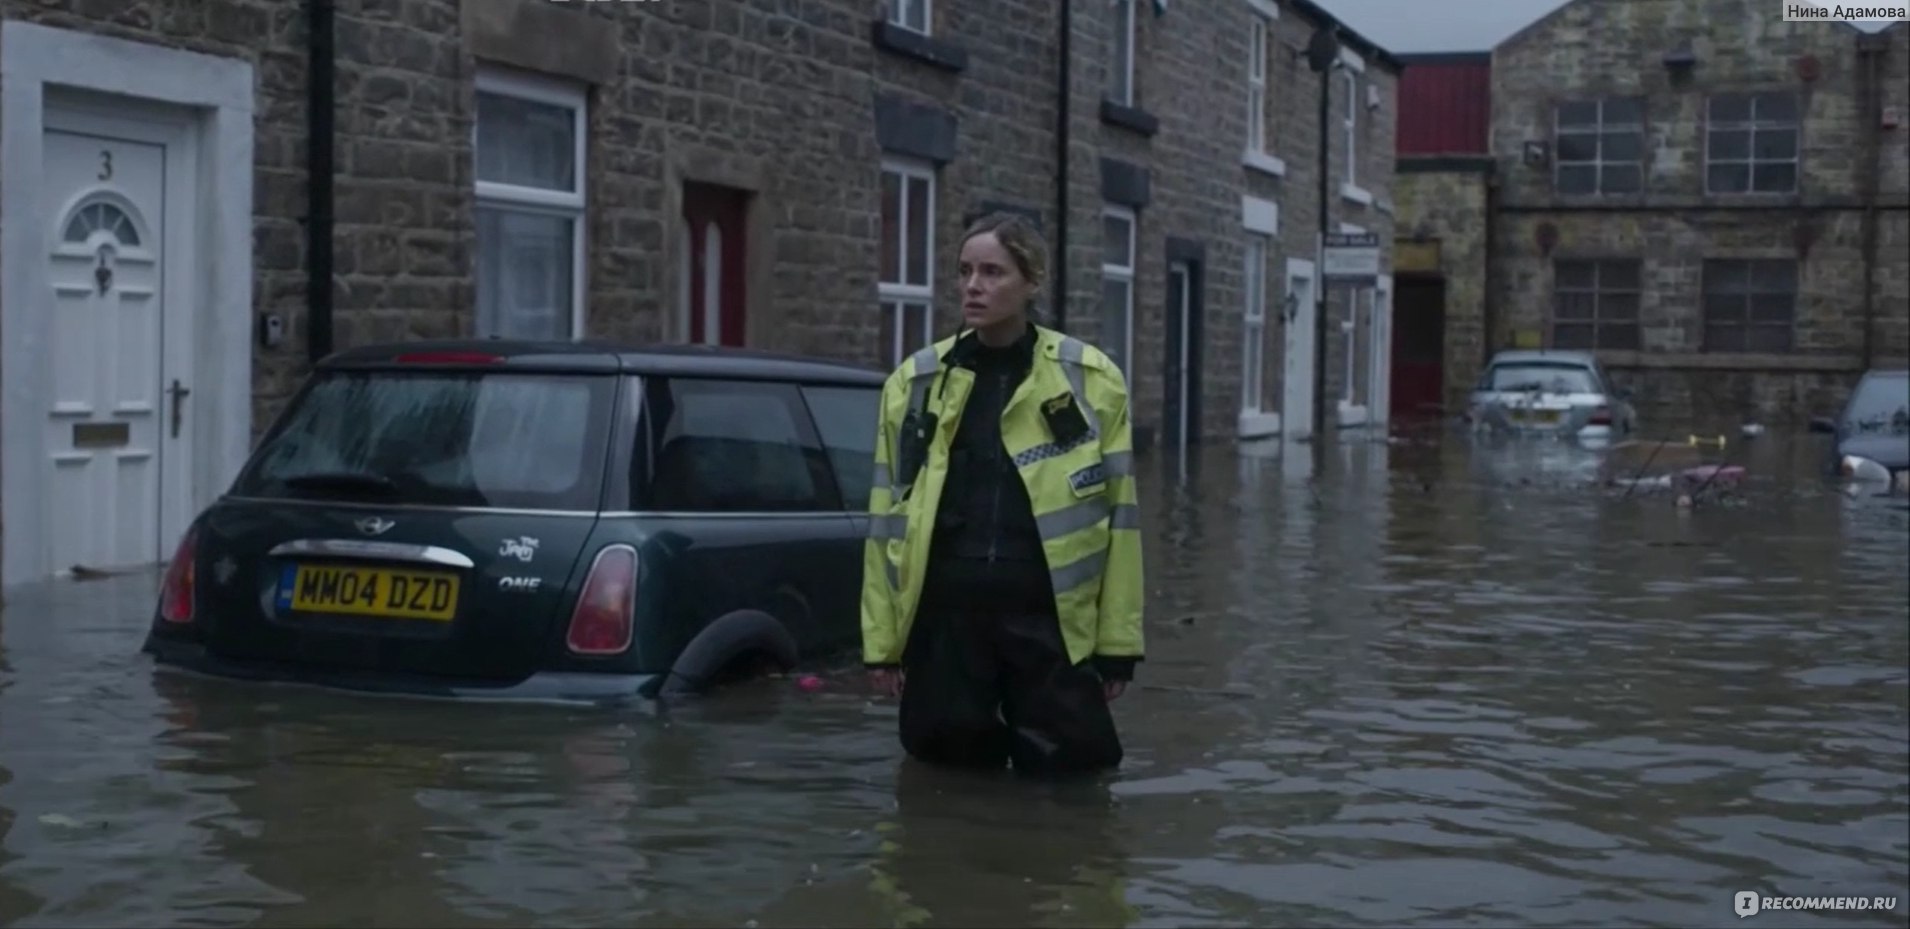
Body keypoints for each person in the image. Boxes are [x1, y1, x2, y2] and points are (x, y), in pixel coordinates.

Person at [858, 210, 1145, 778]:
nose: (973, 286)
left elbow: (1120, 522)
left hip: (1048, 621)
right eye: (965, 271)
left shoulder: (1091, 379)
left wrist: (1118, 644)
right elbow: (886, 521)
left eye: (992, 272)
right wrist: (883, 644)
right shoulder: (914, 382)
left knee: (1074, 778)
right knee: (945, 777)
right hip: (948, 619)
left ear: (1031, 281)